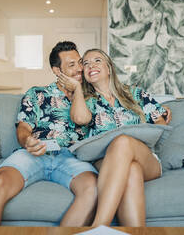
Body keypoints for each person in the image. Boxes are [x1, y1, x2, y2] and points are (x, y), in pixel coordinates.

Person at [0, 41, 98, 226]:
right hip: (36, 153)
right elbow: (23, 127)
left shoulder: (93, 97)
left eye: (80, 62)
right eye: (71, 65)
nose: (80, 69)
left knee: (93, 189)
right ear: (57, 70)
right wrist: (27, 141)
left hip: (73, 157)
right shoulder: (37, 93)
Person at [57, 48, 172, 226]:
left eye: (97, 61)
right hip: (104, 161)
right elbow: (80, 119)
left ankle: (99, 226)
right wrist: (78, 89)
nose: (90, 66)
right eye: (85, 64)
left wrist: (158, 120)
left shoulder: (136, 94)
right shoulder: (87, 101)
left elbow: (161, 127)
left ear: (109, 68)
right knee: (131, 170)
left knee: (123, 141)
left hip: (146, 159)